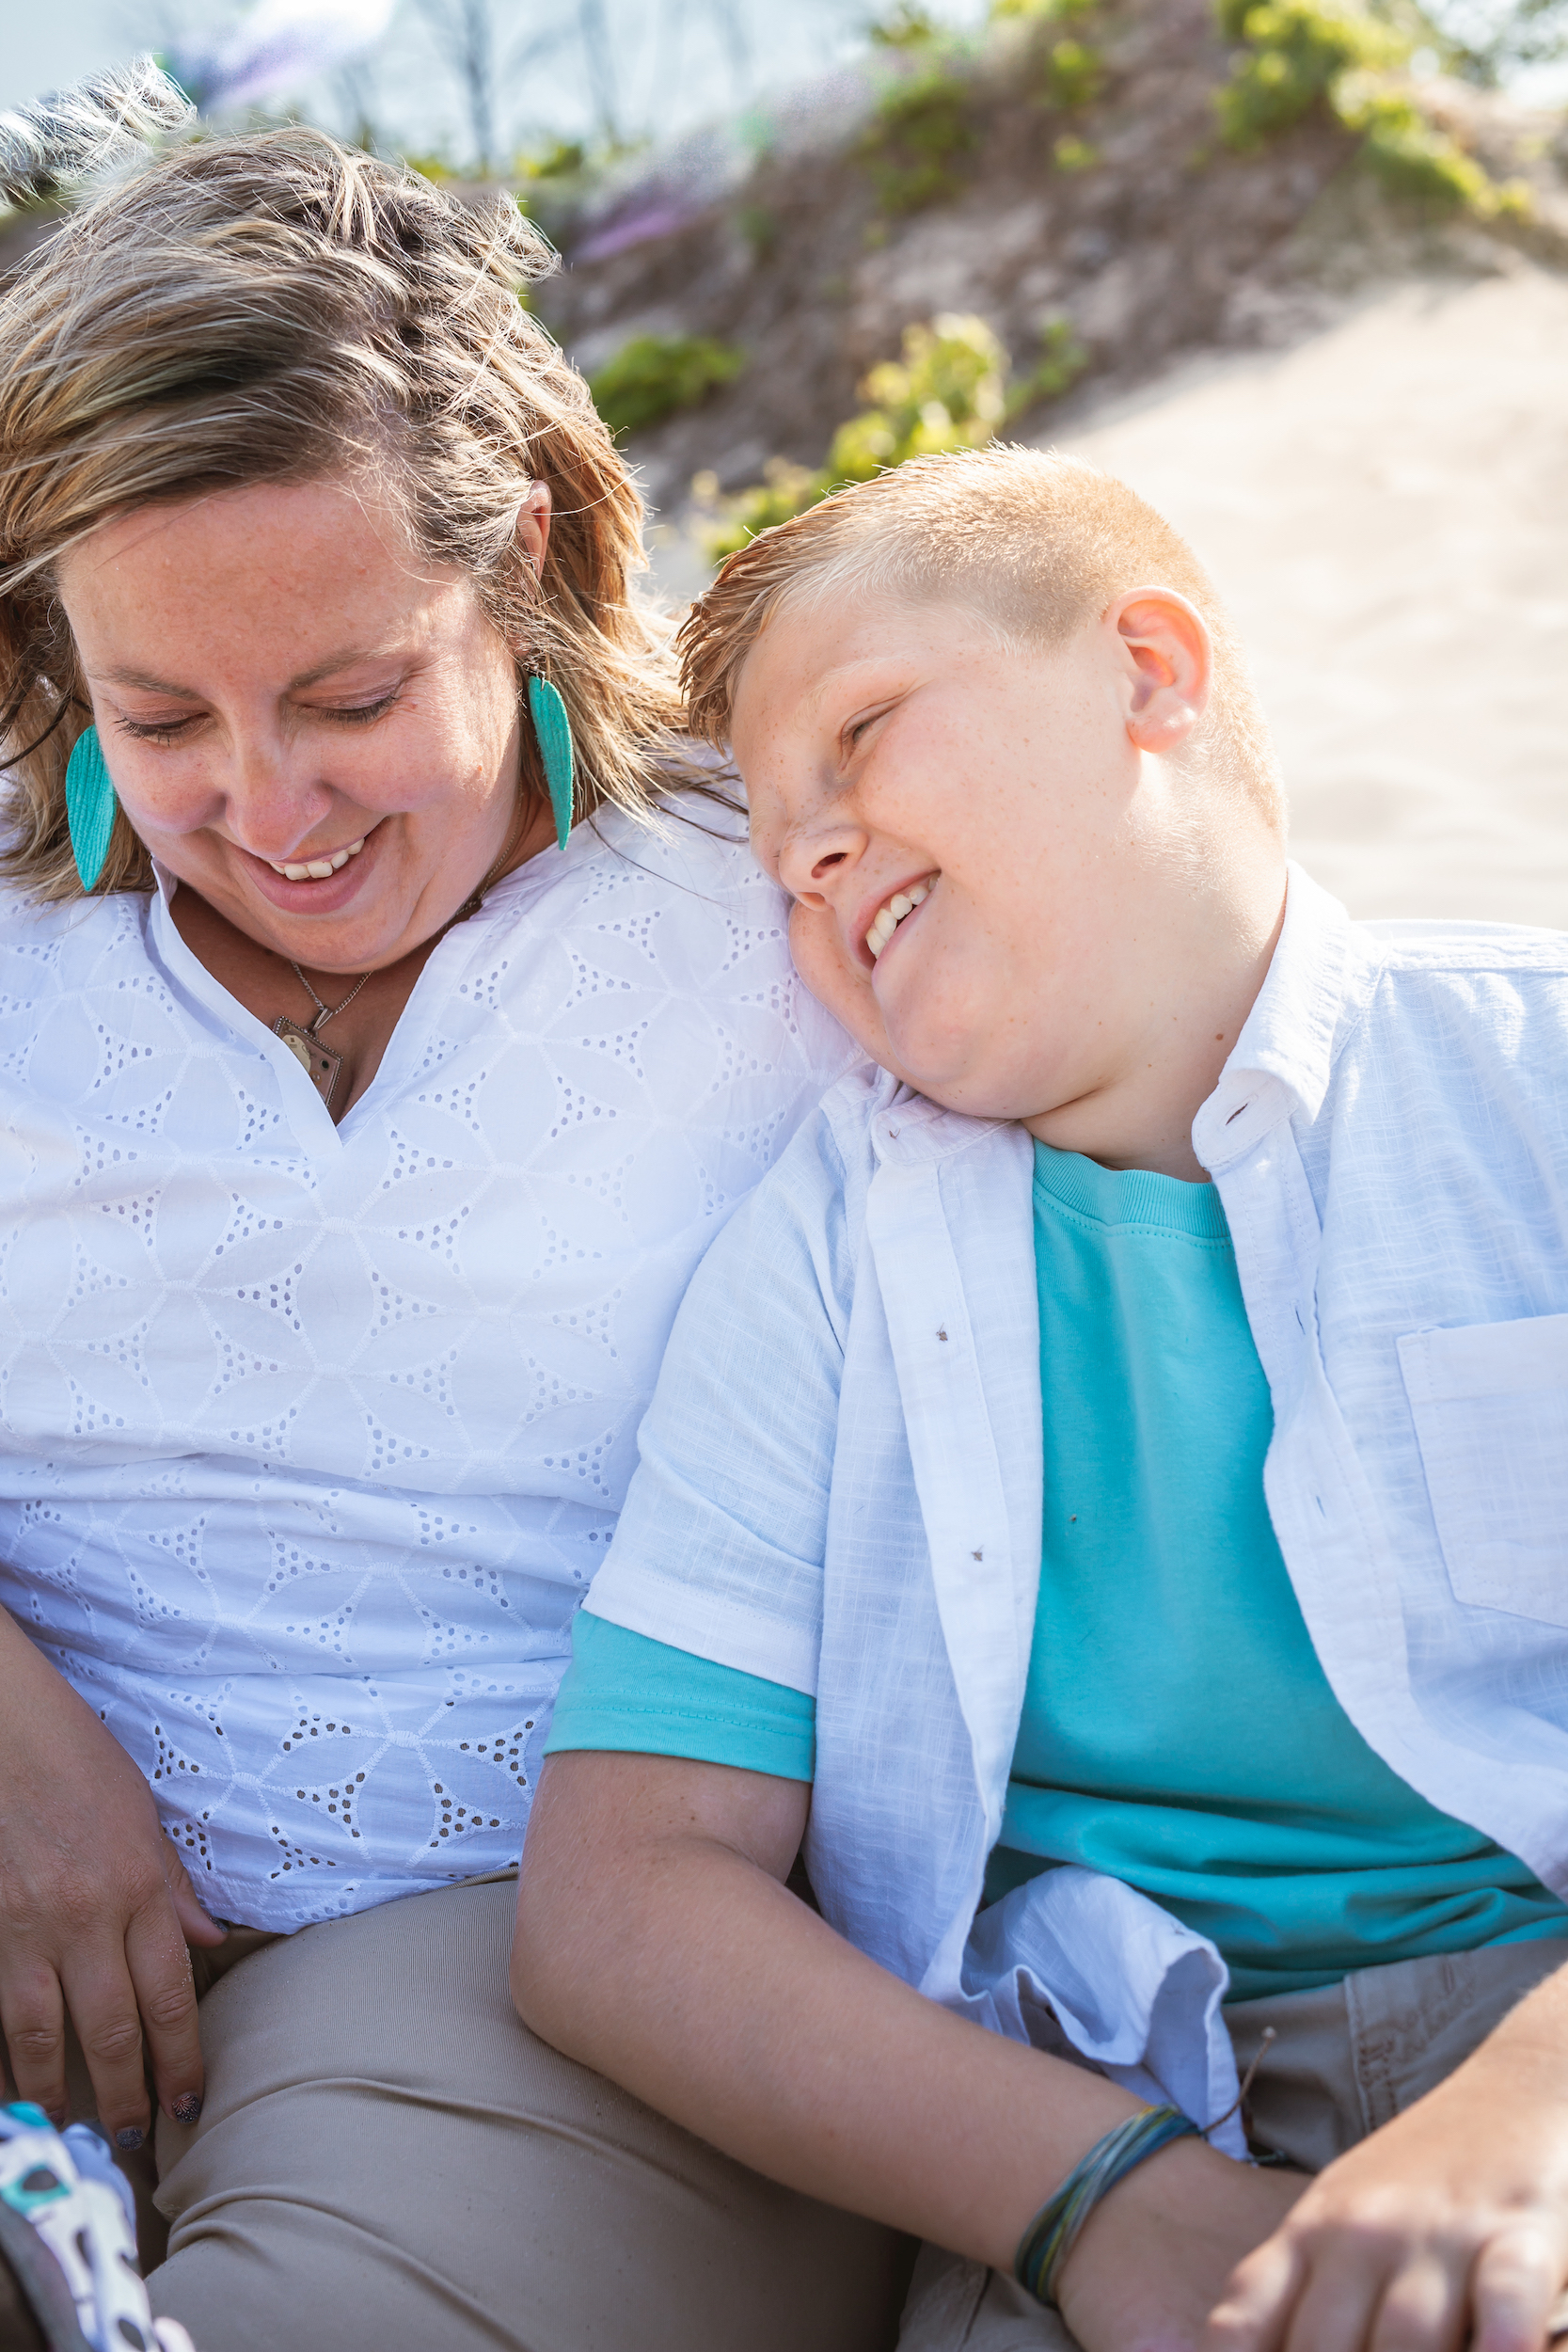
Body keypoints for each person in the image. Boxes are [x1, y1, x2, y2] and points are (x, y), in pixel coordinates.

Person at [0, 108, 911, 2352]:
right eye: (160, 715)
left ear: (509, 558)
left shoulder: (769, 897)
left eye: (351, 694)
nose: (270, 812)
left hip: (532, 1935)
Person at [514, 445, 1568, 2352]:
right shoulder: (824, 1249)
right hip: (1089, 2093)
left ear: (1146, 672)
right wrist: (1100, 2197)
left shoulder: (1533, 1080)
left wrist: (1529, 2107)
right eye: (775, 848)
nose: (815, 850)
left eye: (864, 734)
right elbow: (621, 1896)